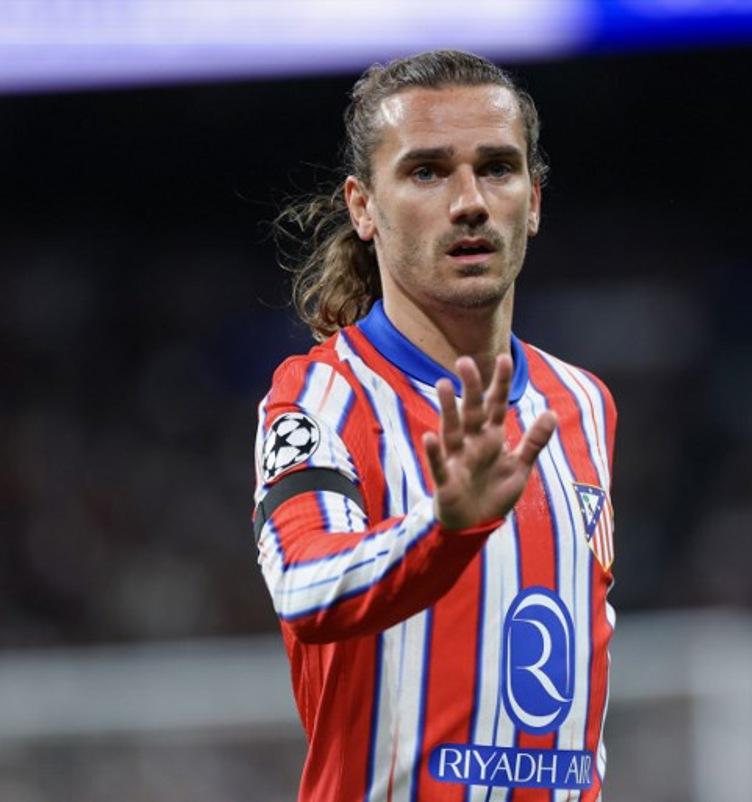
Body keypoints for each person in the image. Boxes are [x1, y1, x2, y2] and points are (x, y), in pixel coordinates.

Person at [252, 50, 617, 802]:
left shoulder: (583, 404)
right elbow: (303, 585)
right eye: (426, 172)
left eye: (497, 167)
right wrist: (444, 529)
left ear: (535, 199)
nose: (470, 202)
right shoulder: (322, 397)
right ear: (362, 207)